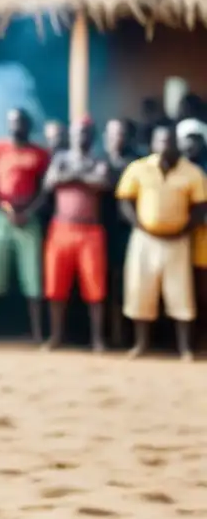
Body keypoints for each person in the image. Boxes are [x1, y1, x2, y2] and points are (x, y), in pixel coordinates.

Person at [117, 125, 206, 361]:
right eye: (160, 141)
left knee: (181, 295)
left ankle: (185, 348)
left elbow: (199, 208)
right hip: (144, 240)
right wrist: (140, 225)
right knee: (140, 291)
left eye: (169, 141)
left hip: (178, 242)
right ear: (153, 144)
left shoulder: (193, 173)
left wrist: (182, 230)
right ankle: (141, 344)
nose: (165, 145)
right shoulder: (138, 168)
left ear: (177, 143)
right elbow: (125, 201)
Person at [0, 108, 50, 343]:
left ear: (29, 125)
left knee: (33, 276)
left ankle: (39, 335)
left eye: (21, 122)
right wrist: (2, 209)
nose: (16, 125)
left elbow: (45, 189)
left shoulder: (40, 154)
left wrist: (29, 211)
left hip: (29, 217)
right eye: (12, 121)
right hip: (0, 216)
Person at [37, 117, 112, 352]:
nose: (82, 137)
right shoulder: (59, 159)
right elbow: (50, 182)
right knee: (56, 287)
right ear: (71, 135)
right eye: (78, 133)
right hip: (61, 229)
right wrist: (81, 176)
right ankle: (56, 337)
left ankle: (98, 339)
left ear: (92, 136)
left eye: (86, 133)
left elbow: (103, 182)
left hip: (90, 231)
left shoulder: (99, 160)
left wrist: (72, 176)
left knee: (95, 288)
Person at [103, 118, 138, 347]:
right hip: (101, 229)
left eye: (122, 133)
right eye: (113, 133)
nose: (118, 137)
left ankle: (130, 336)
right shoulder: (98, 160)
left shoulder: (137, 162)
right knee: (107, 283)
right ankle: (111, 335)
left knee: (130, 282)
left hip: (131, 231)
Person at [177, 118, 207, 351]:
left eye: (196, 140)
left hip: (202, 236)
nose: (191, 145)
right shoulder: (175, 167)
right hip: (175, 237)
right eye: (187, 140)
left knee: (202, 288)